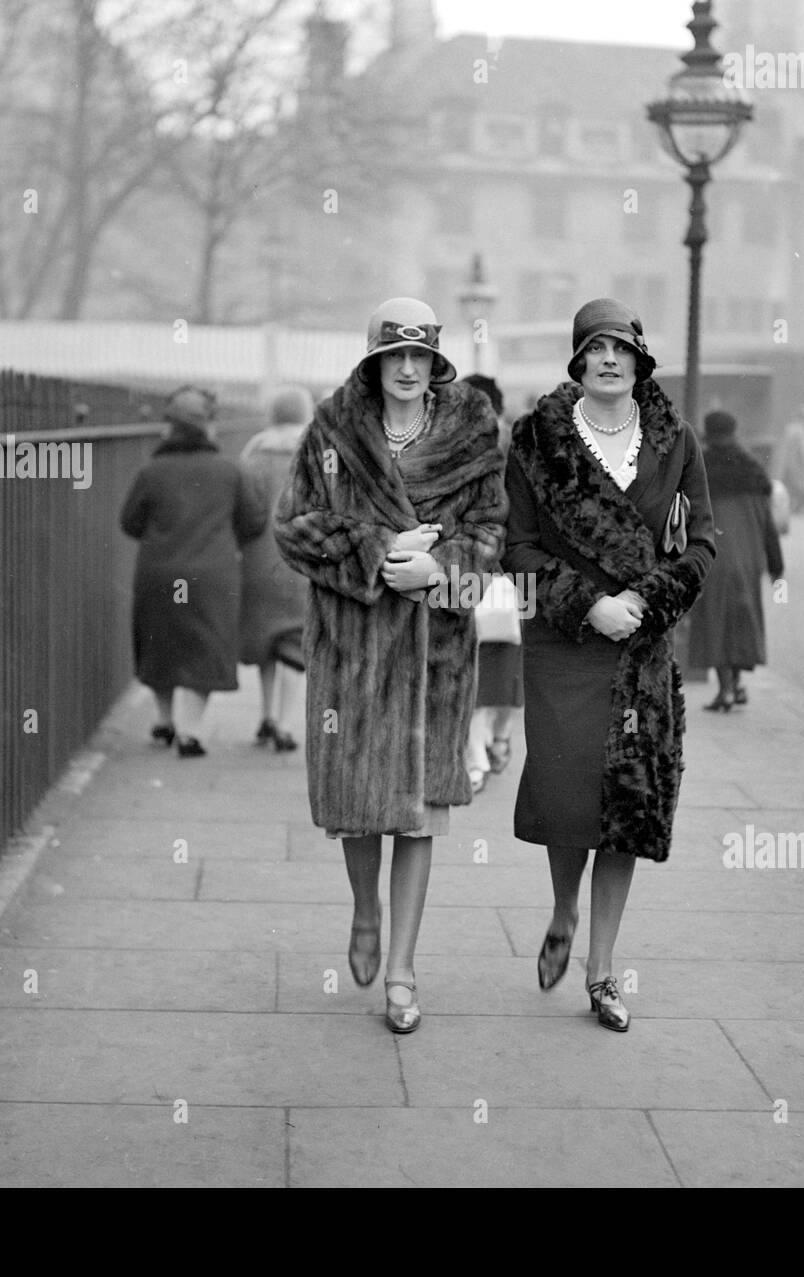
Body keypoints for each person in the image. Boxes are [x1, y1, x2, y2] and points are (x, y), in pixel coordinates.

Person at [274, 298, 507, 1034]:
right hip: (353, 650)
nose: (407, 370)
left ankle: (402, 970)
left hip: (434, 652)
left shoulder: (472, 430)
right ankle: (365, 909)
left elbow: (492, 531)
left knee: (418, 818)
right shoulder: (333, 428)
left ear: (437, 362)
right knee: (359, 809)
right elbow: (293, 526)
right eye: (393, 357)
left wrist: (438, 569)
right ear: (374, 361)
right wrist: (380, 554)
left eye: (420, 357)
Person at [503, 298, 716, 1032]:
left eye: (621, 347)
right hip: (567, 641)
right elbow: (516, 548)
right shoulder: (536, 442)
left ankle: (601, 971)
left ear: (640, 360)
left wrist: (646, 601)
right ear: (576, 360)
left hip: (639, 645)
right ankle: (563, 907)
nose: (609, 359)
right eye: (594, 347)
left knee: (624, 804)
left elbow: (701, 545)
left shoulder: (675, 440)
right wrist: (589, 602)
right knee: (568, 796)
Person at [120, 385, 269, 757]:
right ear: (210, 428)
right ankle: (191, 731)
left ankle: (164, 719)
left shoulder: (151, 471)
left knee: (159, 646)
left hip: (159, 571)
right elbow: (253, 522)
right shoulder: (231, 470)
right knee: (204, 648)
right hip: (211, 576)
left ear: (168, 428)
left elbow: (130, 523)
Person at [688, 410, 785, 712]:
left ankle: (726, 690)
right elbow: (768, 527)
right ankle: (738, 684)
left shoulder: (701, 470)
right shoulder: (754, 471)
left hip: (712, 559)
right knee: (742, 621)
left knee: (715, 622)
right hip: (748, 561)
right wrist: (776, 567)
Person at [239, 386, 313, 749]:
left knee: (265, 641)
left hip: (257, 557)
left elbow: (245, 508)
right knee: (294, 644)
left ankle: (266, 715)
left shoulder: (253, 451)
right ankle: (284, 723)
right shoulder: (315, 451)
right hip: (298, 560)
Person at [460, 373, 523, 794]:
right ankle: (496, 738)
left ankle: (478, 753)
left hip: (465, 567)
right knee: (508, 660)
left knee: (471, 659)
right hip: (515, 569)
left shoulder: (456, 447)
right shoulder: (518, 448)